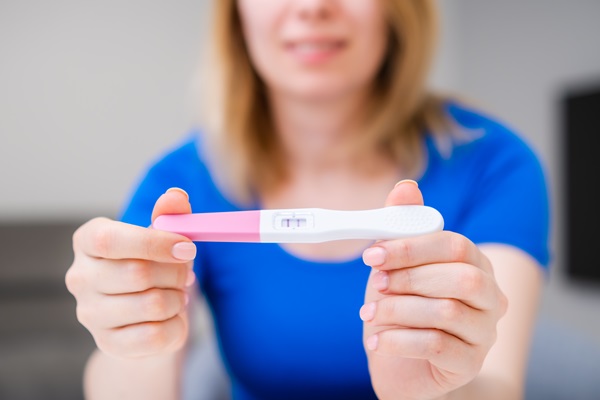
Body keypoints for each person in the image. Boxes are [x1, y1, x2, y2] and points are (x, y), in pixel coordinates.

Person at [65, 0, 550, 399]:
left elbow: (498, 386)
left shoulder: (495, 164)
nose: (314, 6)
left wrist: (429, 392)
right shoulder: (179, 185)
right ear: (236, 13)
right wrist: (133, 339)